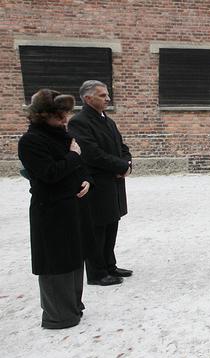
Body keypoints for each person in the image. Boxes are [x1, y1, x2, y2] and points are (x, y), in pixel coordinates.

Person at [18, 89, 93, 329]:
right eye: (59, 117)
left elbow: (81, 165)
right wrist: (73, 157)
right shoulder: (31, 141)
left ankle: (73, 306)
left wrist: (87, 180)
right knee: (55, 263)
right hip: (50, 211)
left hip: (72, 209)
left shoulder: (64, 135)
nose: (65, 120)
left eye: (66, 115)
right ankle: (58, 315)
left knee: (74, 258)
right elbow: (49, 174)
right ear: (42, 116)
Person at [68, 80, 133, 286]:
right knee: (97, 229)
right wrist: (120, 166)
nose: (108, 98)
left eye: (107, 95)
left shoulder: (108, 120)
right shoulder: (80, 122)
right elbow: (91, 153)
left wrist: (127, 162)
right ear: (88, 98)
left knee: (112, 224)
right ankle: (97, 273)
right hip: (98, 183)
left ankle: (109, 265)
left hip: (114, 182)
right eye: (103, 95)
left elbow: (122, 146)